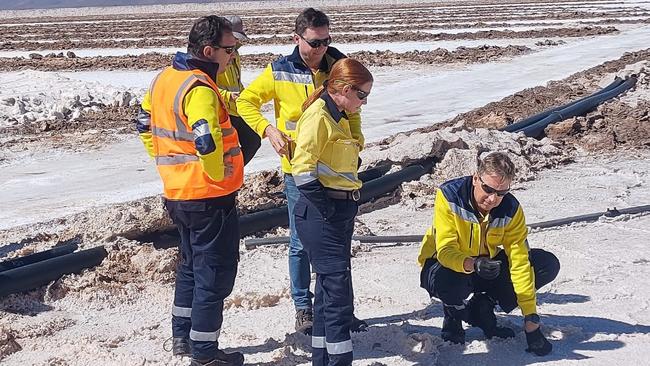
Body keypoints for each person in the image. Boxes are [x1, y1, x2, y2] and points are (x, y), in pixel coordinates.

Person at [237, 7, 366, 335]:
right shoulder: (279, 70)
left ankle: (341, 307)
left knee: (338, 242)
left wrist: (356, 142)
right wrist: (268, 130)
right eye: (314, 42)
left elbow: (352, 107)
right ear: (297, 38)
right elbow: (246, 102)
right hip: (299, 168)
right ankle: (303, 308)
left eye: (326, 41)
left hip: (337, 168)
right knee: (301, 242)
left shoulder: (336, 64)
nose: (321, 48)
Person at [135, 15, 245, 366]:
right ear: (209, 50)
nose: (233, 55)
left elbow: (142, 123)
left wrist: (165, 159)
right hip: (208, 197)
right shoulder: (198, 88)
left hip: (178, 194)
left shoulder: (164, 79)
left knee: (190, 266)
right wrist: (215, 176)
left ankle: (181, 339)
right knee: (213, 275)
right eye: (230, 49)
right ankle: (205, 353)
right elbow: (206, 141)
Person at [417, 152, 560, 356]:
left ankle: (483, 307)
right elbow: (446, 251)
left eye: (501, 193)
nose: (493, 199)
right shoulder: (449, 196)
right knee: (447, 279)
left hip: (485, 265)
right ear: (476, 178)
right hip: (445, 264)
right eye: (488, 189)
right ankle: (453, 313)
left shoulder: (511, 209)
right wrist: (472, 264)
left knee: (546, 264)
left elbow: (519, 260)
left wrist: (531, 318)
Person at [292, 57, 373, 366]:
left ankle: (321, 359)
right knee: (337, 297)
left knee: (327, 293)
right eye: (361, 95)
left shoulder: (338, 114)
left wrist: (353, 116)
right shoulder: (318, 117)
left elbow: (352, 149)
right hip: (321, 213)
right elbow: (302, 169)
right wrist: (325, 207)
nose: (364, 103)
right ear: (342, 88)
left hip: (339, 209)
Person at [216, 15, 261, 166]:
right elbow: (206, 85)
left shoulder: (235, 54)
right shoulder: (217, 55)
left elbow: (236, 81)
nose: (236, 41)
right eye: (234, 37)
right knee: (238, 145)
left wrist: (245, 94)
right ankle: (230, 176)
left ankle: (234, 173)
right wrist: (228, 96)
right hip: (223, 110)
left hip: (236, 109)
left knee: (253, 141)